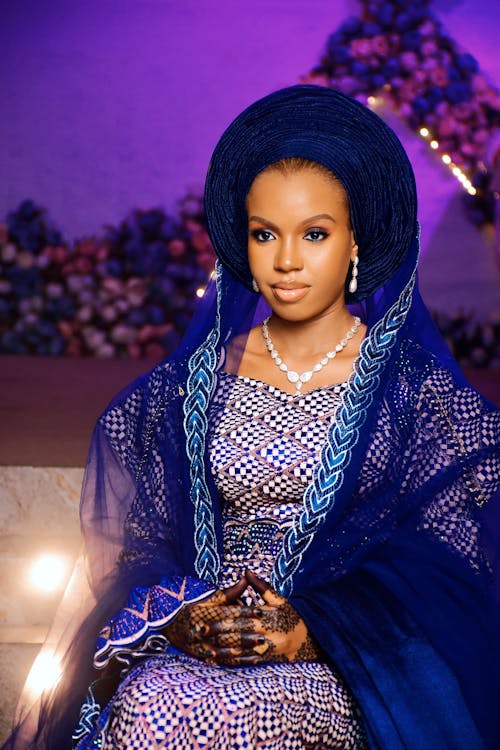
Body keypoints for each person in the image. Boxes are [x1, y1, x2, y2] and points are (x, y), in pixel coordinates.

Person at [5, 85, 499, 749]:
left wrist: (312, 624)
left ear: (357, 244)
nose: (286, 260)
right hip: (206, 637)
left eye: (314, 234)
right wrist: (185, 614)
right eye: (264, 233)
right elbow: (142, 538)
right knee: (151, 701)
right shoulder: (194, 383)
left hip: (346, 653)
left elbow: (454, 561)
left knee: (252, 713)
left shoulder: (414, 391)